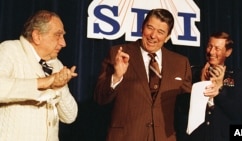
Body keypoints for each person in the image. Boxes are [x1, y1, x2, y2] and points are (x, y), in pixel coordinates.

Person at [94, 8, 192, 141]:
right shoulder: (118, 53)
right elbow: (100, 98)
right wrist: (117, 77)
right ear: (142, 28)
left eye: (160, 32)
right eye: (150, 28)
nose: (153, 35)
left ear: (167, 37)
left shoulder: (180, 62)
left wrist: (205, 92)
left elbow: (186, 106)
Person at [0, 10, 78, 141]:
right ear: (37, 36)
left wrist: (59, 86)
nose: (63, 43)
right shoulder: (10, 50)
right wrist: (45, 82)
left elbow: (70, 117)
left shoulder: (56, 64)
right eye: (58, 35)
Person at [186, 32, 242, 141]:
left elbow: (237, 112)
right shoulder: (193, 72)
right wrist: (201, 84)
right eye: (210, 46)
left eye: (217, 48)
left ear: (228, 52)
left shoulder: (237, 76)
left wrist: (220, 90)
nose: (211, 52)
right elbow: (184, 110)